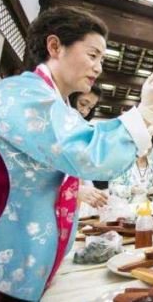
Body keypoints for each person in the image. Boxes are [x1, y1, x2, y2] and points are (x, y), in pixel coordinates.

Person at [0, 6, 153, 301]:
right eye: (93, 55)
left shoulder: (54, 103)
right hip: (0, 263)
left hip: (24, 258)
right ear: (55, 46)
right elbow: (89, 153)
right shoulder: (21, 94)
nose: (99, 67)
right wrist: (145, 111)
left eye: (102, 58)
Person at [69, 86, 108, 216]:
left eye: (90, 108)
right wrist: (76, 189)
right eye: (83, 103)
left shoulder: (80, 130)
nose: (85, 111)